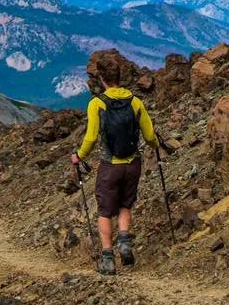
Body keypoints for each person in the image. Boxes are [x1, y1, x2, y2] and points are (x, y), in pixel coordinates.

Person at [70, 81, 163, 275]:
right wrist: (155, 144)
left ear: (102, 79)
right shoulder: (135, 101)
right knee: (125, 205)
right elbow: (149, 135)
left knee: (105, 211)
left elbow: (91, 138)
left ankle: (108, 260)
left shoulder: (97, 103)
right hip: (132, 165)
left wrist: (79, 156)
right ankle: (124, 243)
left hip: (110, 166)